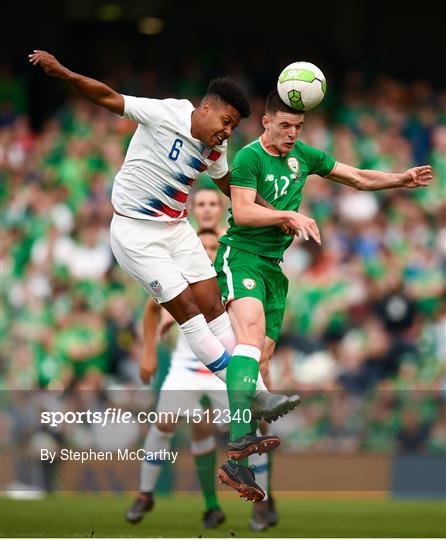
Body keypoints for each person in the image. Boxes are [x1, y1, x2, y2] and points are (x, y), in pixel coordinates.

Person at [29, 52, 304, 465]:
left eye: (233, 127)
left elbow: (231, 184)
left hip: (175, 228)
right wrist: (62, 72)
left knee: (216, 305)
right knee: (190, 312)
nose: (227, 132)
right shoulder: (164, 114)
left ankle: (259, 399)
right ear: (205, 108)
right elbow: (108, 97)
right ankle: (250, 398)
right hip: (135, 234)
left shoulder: (217, 148)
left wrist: (276, 213)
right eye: (225, 121)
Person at [215, 90, 433, 498]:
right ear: (265, 122)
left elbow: (357, 177)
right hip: (241, 257)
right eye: (284, 126)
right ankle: (237, 447)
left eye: (298, 127)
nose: (292, 134)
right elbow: (242, 210)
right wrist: (287, 214)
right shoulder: (248, 158)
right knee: (248, 340)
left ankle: (244, 467)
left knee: (262, 363)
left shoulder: (305, 156)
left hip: (273, 271)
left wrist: (400, 180)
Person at [126, 190, 277, 531]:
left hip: (229, 363)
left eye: (213, 250)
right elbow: (156, 308)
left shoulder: (236, 266)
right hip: (188, 363)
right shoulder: (182, 262)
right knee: (169, 421)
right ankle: (148, 493)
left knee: (256, 426)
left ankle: (263, 501)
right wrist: (150, 348)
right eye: (205, 250)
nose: (208, 254)